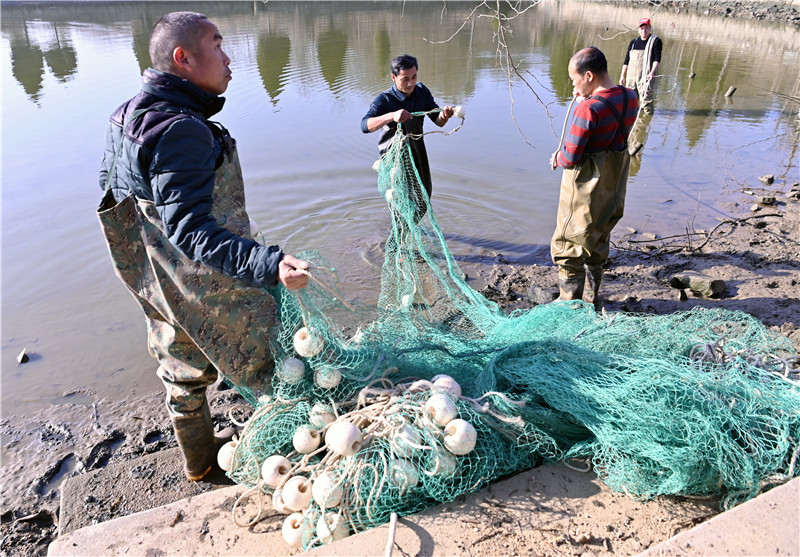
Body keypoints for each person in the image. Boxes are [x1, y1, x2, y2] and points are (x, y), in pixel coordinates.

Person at [97, 12, 309, 481]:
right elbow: (192, 230)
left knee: (179, 358)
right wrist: (268, 264)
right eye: (217, 45)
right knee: (271, 353)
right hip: (203, 274)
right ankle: (289, 452)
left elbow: (119, 198)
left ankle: (199, 460)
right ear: (184, 59)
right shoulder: (181, 130)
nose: (230, 58)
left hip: (151, 272)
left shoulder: (126, 114)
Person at [549, 47, 639, 310]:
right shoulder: (631, 97)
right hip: (613, 183)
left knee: (568, 241)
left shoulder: (588, 109)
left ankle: (569, 302)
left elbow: (572, 156)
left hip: (586, 183)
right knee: (598, 234)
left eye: (574, 80)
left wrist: (558, 158)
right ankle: (591, 297)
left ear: (589, 76)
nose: (573, 86)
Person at [361, 54, 455, 225]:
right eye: (405, 79)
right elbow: (365, 126)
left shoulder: (422, 92)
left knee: (424, 199)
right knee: (401, 202)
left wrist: (445, 115)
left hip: (418, 152)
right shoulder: (385, 100)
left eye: (414, 77)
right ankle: (398, 240)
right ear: (394, 77)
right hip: (394, 159)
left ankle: (406, 232)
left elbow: (438, 121)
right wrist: (391, 115)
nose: (411, 83)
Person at [620, 17, 662, 110]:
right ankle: (633, 122)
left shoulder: (655, 41)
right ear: (638, 30)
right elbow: (626, 60)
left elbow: (657, 59)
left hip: (645, 78)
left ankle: (645, 122)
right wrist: (622, 75)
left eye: (646, 28)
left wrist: (652, 72)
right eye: (642, 28)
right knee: (630, 103)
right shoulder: (633, 42)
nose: (644, 30)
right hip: (631, 80)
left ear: (650, 28)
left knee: (647, 104)